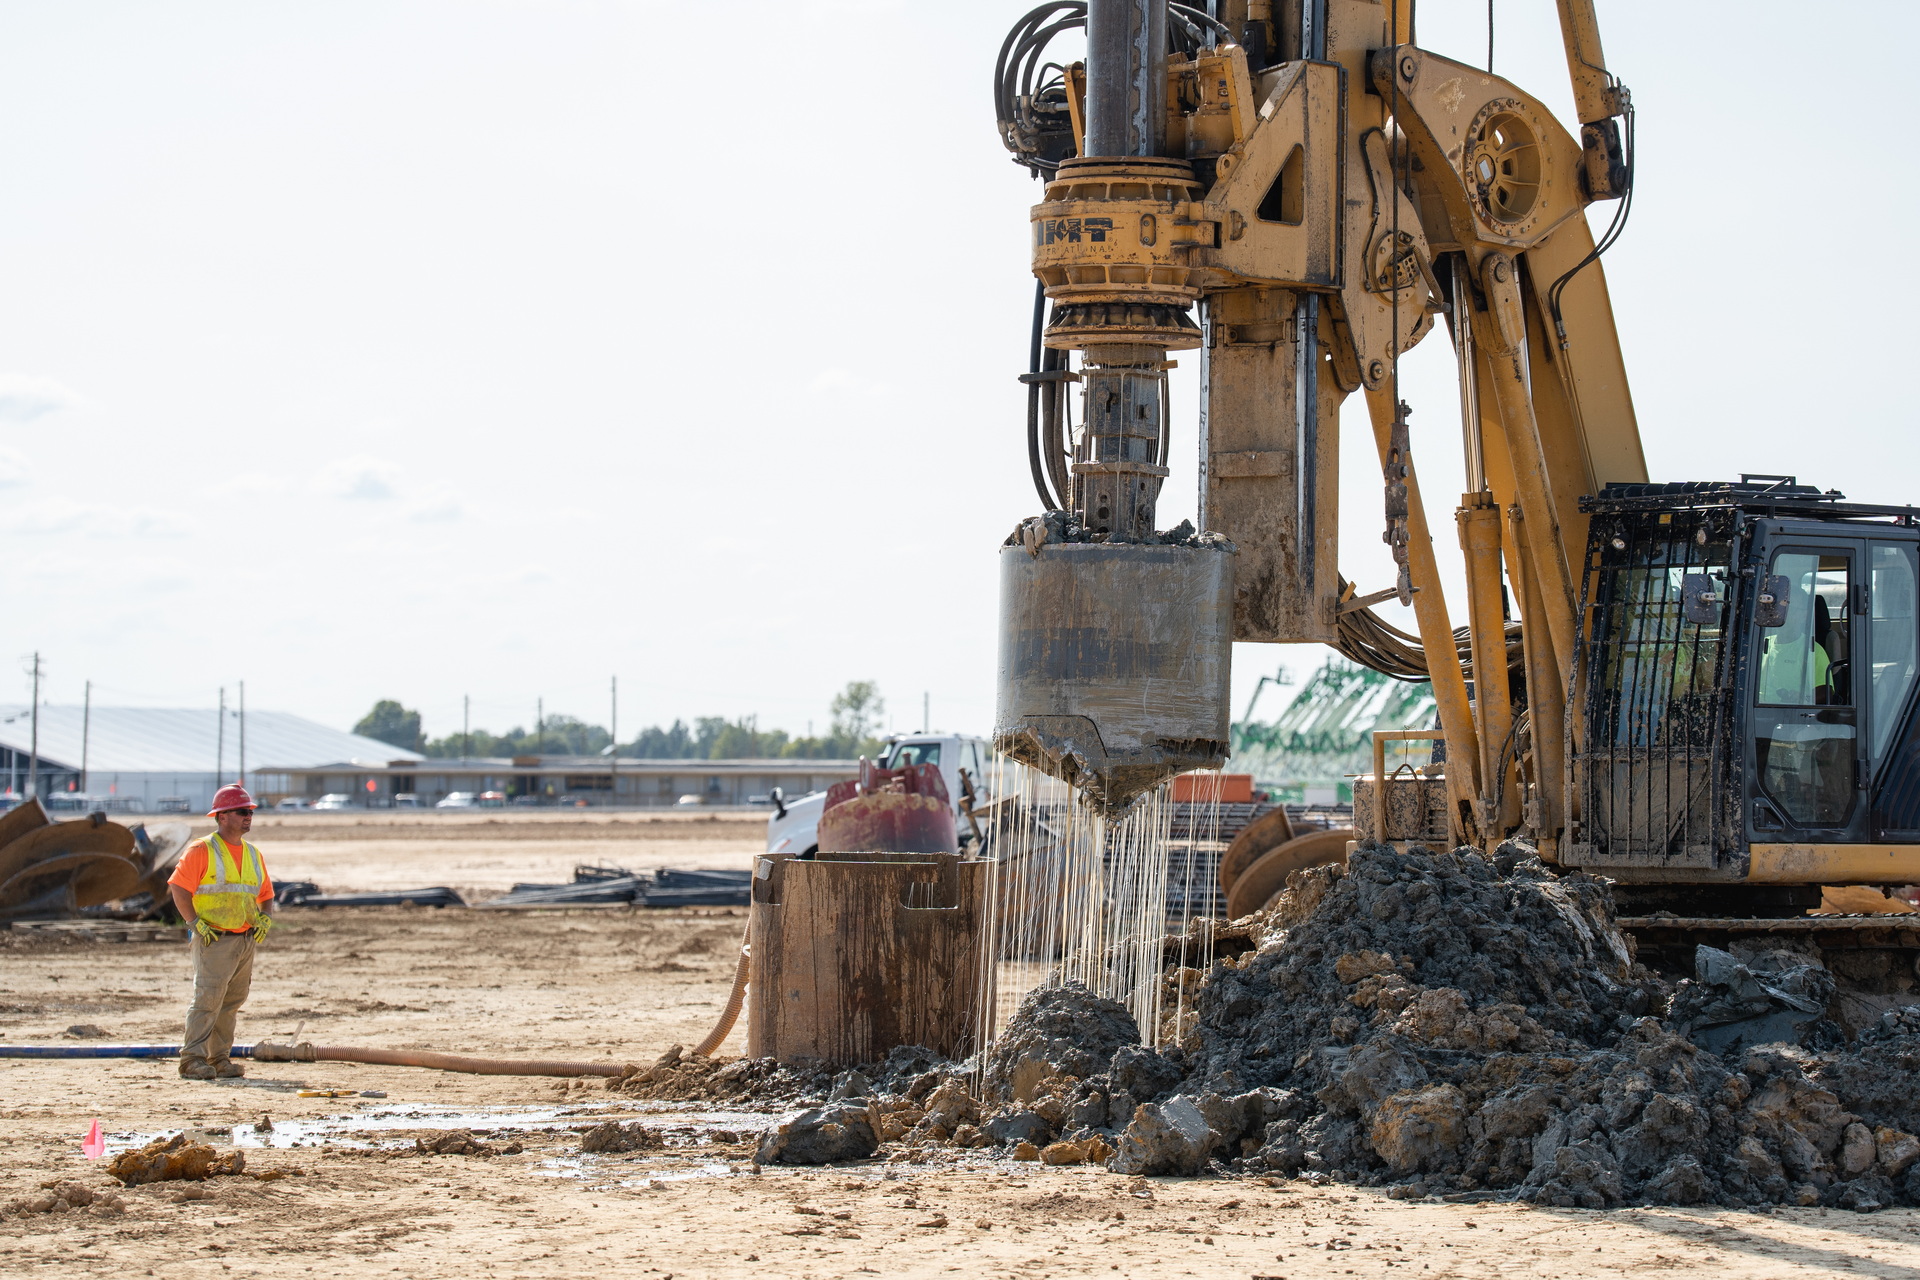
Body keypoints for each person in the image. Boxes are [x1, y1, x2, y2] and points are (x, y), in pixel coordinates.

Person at [167, 784, 275, 1080]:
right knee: (207, 1000)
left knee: (231, 1002)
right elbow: (178, 887)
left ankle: (219, 1059)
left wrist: (265, 917)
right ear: (222, 816)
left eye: (250, 811)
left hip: (244, 939)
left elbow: (266, 893)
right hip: (213, 939)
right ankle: (192, 1060)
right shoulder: (203, 850)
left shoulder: (253, 854)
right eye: (242, 811)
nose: (248, 816)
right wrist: (194, 924)